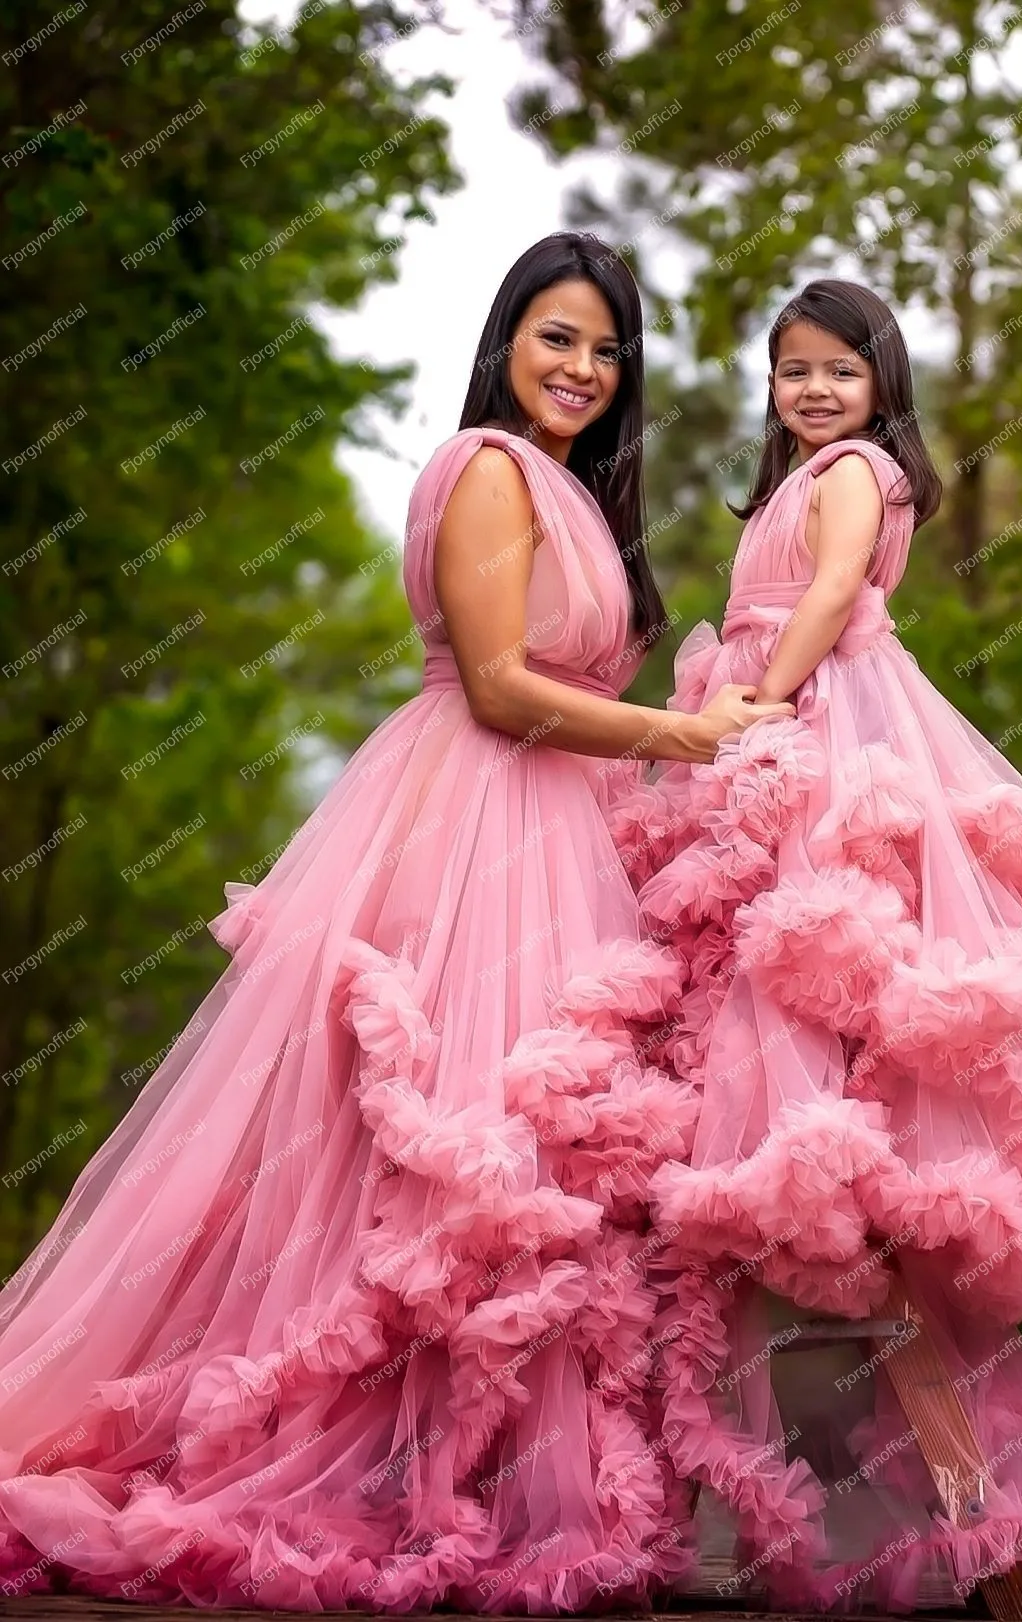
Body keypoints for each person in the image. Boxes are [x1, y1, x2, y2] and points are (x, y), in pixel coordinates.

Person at [0, 232, 791, 1612]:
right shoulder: (483, 467)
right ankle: (395, 1469)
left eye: (606, 351)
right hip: (477, 822)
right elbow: (497, 684)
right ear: (503, 342)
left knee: (548, 1153)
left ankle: (500, 1473)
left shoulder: (573, 491)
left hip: (565, 832)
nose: (583, 369)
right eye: (557, 337)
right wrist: (688, 729)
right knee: (456, 1143)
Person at [607, 278, 1022, 1610]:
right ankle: (699, 1502)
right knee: (738, 1139)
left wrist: (755, 700)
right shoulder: (790, 478)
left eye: (837, 369)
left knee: (840, 1121)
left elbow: (822, 598)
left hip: (821, 752)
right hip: (767, 747)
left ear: (880, 384)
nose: (811, 390)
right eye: (790, 370)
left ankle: (982, 1515)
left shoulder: (859, 474)